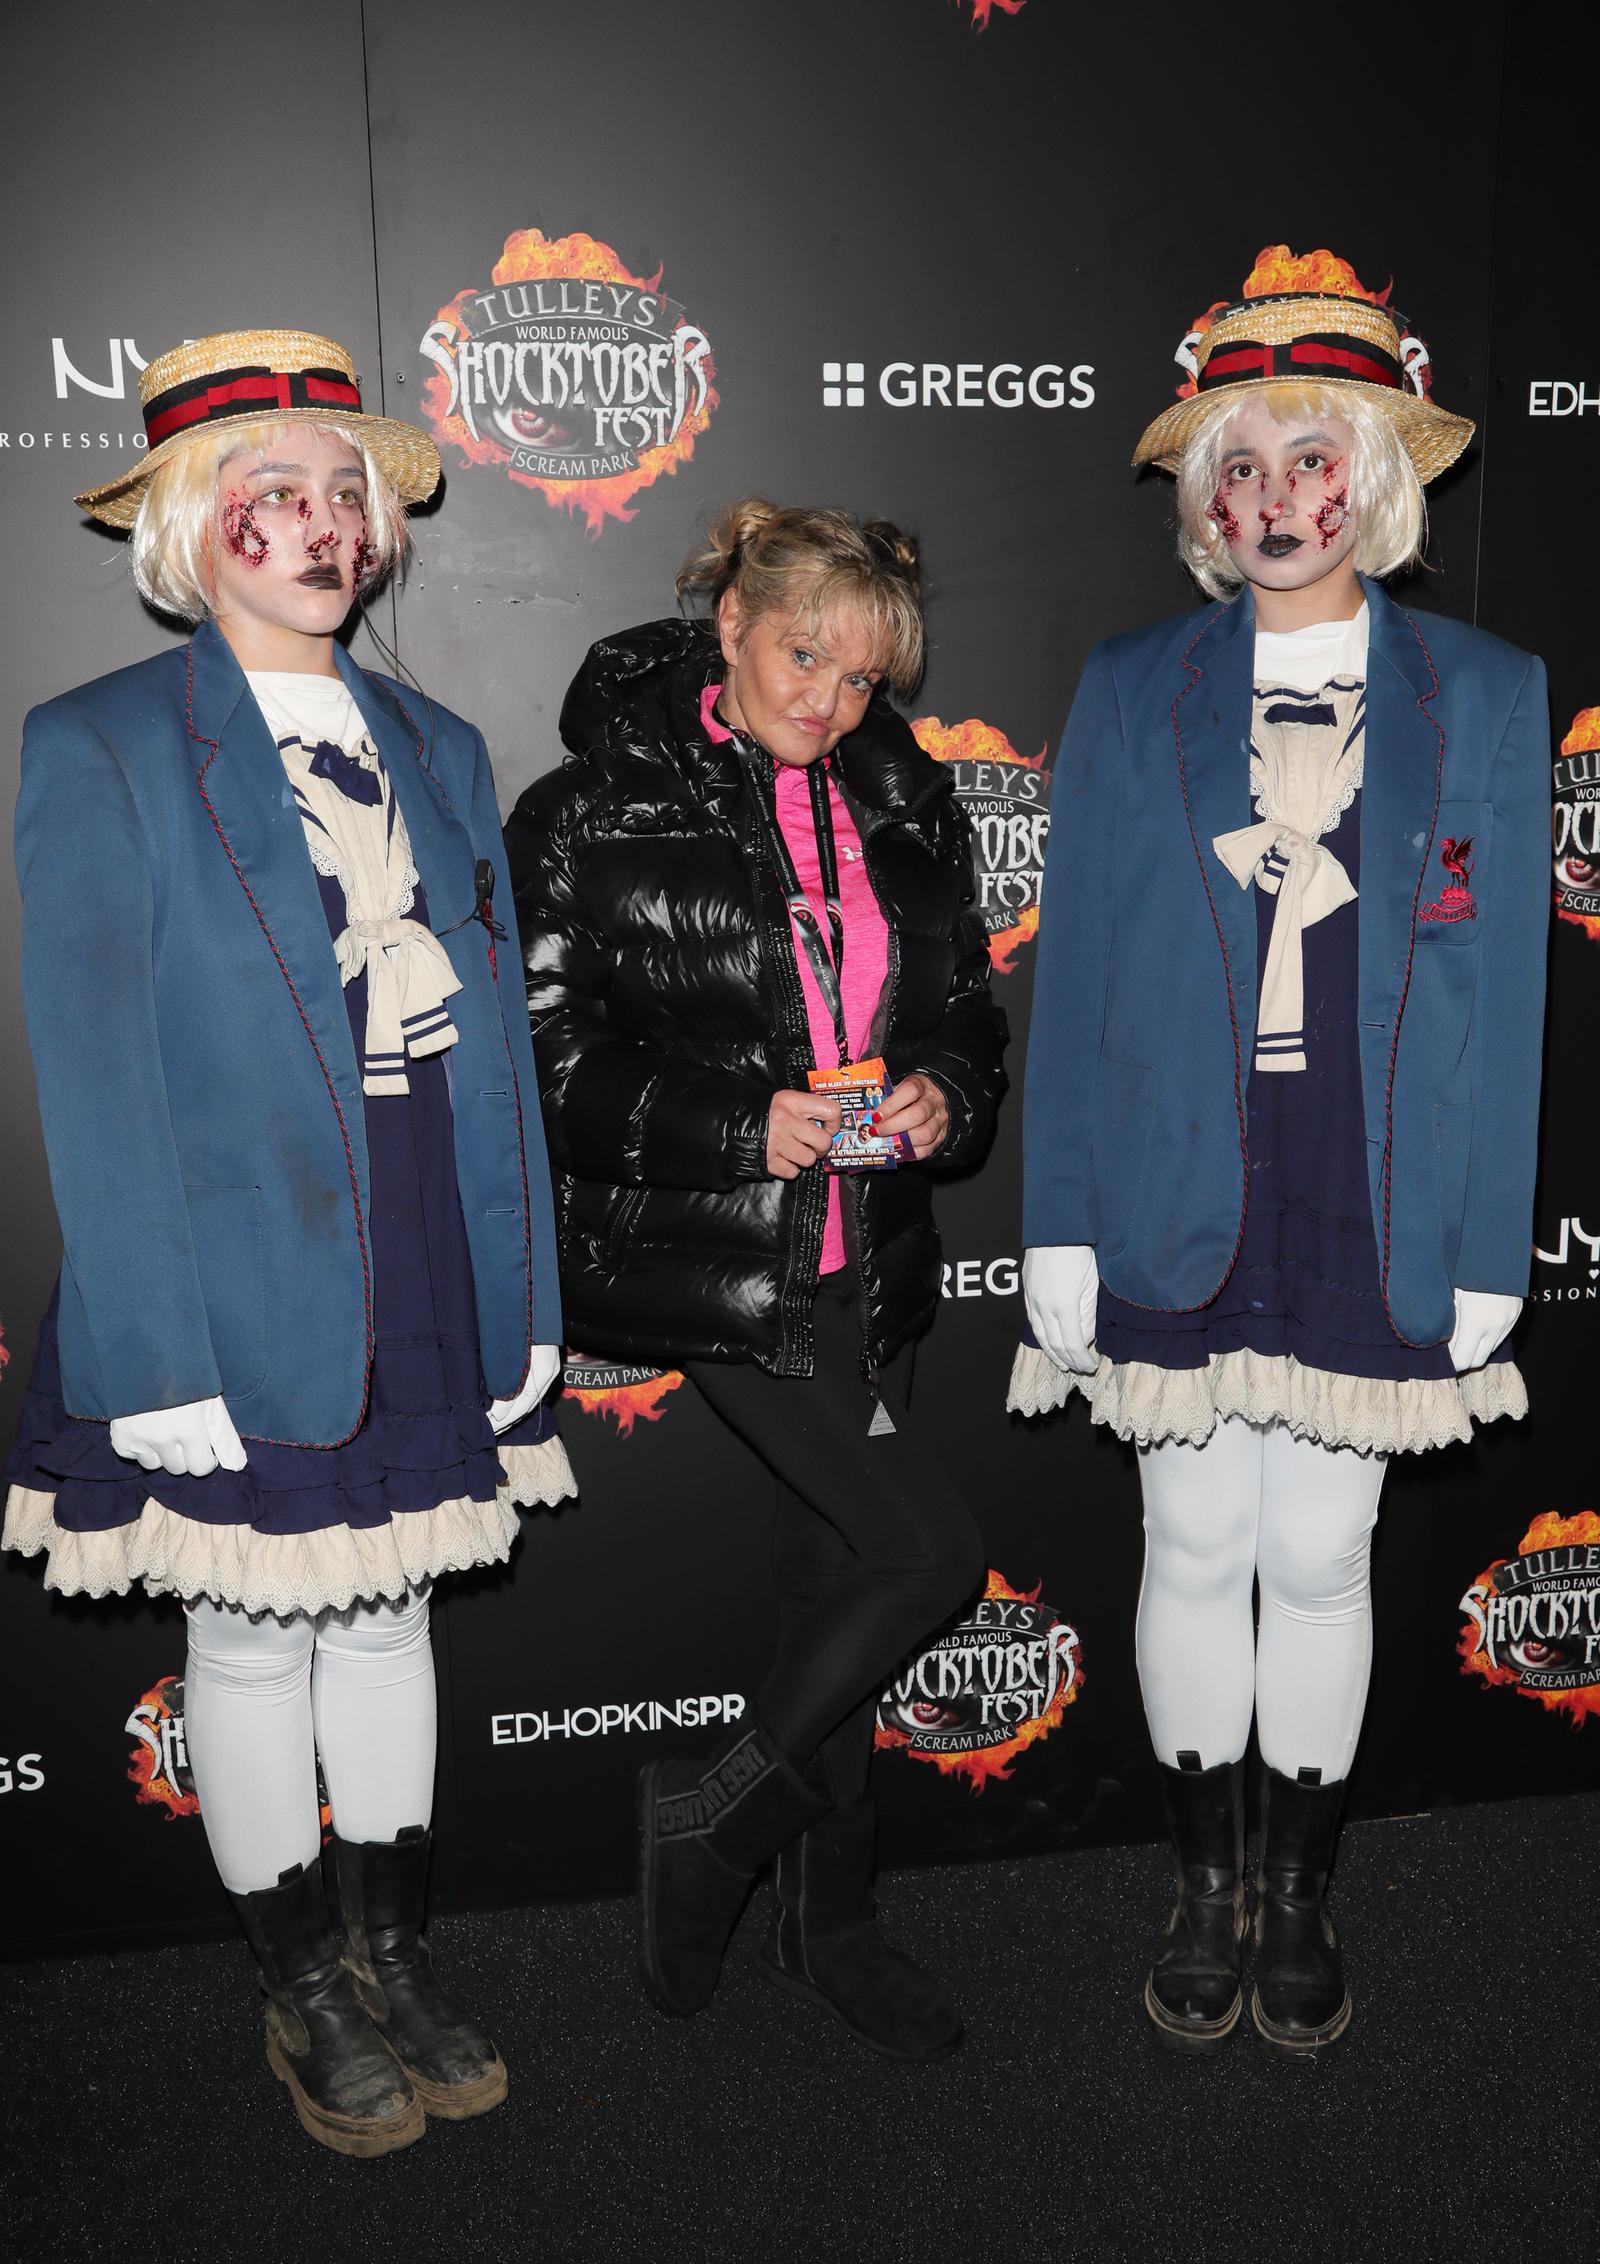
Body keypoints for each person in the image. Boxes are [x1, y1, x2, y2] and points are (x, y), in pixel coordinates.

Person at [2, 330, 571, 2154]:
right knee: (247, 1643)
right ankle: (297, 1983)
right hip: (229, 1263)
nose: (324, 528)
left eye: (348, 495)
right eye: (277, 496)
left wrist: (524, 1295)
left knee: (394, 1615)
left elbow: (494, 1063)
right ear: (191, 526)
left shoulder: (441, 742)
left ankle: (393, 1955)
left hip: (421, 1240)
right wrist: (151, 1356)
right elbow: (94, 1080)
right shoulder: (95, 746)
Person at [1014, 255, 1548, 2053]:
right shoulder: (1125, 686)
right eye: (1238, 470)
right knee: (1190, 1534)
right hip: (1179, 1171)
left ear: (1378, 480)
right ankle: (1200, 1881)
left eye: (1312, 463)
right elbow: (1074, 963)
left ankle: (1298, 1896)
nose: (1274, 504)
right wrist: (1061, 1218)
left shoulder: (1485, 692)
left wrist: (1490, 1242)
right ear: (1201, 496)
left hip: (1374, 1177)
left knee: (1322, 1549)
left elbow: (1505, 992)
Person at [507, 501, 1007, 2061]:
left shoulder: (904, 797)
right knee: (927, 1559)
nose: (830, 701)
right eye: (806, 654)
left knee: (835, 1590)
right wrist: (744, 1123)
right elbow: (538, 1058)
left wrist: (940, 1096)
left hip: (878, 1254)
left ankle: (830, 1926)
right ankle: (708, 1826)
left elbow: (966, 1018)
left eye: (863, 679)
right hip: (726, 1261)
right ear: (730, 620)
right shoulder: (585, 809)